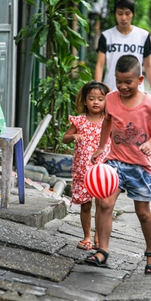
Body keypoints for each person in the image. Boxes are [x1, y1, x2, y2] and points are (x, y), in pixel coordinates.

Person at [87, 55, 151, 275]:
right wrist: (101, 146)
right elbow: (107, 120)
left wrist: (150, 143)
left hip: (140, 167)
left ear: (140, 79)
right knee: (104, 203)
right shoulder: (111, 99)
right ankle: (102, 250)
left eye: (128, 82)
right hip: (115, 161)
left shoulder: (149, 103)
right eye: (118, 81)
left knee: (142, 212)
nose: (122, 86)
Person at [62, 81, 111, 251]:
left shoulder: (108, 121)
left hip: (102, 173)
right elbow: (65, 138)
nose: (96, 102)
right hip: (83, 171)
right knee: (85, 204)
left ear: (107, 101)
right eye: (91, 98)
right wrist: (74, 135)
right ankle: (87, 237)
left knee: (101, 205)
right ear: (84, 101)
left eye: (100, 99)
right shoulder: (80, 121)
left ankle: (98, 238)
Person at [94, 0, 151, 105]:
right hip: (111, 90)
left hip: (137, 92)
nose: (123, 18)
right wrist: (98, 90)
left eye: (127, 13)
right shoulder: (107, 36)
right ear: (115, 14)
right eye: (120, 13)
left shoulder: (143, 36)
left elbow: (148, 65)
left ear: (133, 14)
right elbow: (100, 64)